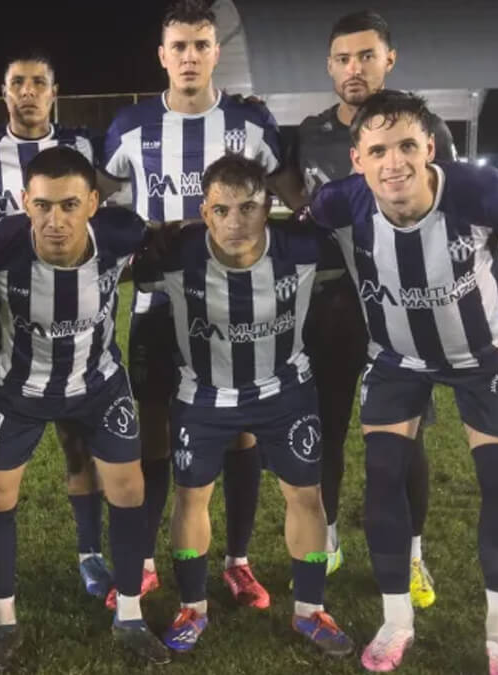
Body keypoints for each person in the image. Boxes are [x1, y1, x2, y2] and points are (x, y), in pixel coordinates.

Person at [307, 90, 498, 674]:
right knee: (382, 478)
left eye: (408, 145)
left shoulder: (483, 193)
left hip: (485, 354)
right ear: (356, 159)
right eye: (378, 149)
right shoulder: (337, 204)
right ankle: (395, 620)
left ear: (430, 147)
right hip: (397, 357)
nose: (394, 162)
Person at [101, 0, 302, 611]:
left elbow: (290, 200)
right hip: (159, 307)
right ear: (162, 56)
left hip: (236, 307)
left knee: (240, 432)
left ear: (217, 52)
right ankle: (142, 562)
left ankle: (238, 562)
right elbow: (103, 200)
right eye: (179, 47)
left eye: (201, 45)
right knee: (156, 435)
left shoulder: (249, 125)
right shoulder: (130, 127)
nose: (190, 57)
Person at [0, 146, 171, 668]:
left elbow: (170, 243)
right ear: (25, 202)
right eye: (44, 206)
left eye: (70, 205)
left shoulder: (121, 234)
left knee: (129, 488)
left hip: (98, 385)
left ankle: (130, 615)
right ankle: (5, 624)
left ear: (93, 202)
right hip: (19, 391)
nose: (56, 221)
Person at [135, 154, 353, 657]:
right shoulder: (174, 253)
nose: (236, 222)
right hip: (203, 397)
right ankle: (193, 606)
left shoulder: (304, 247)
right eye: (222, 210)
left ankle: (310, 610)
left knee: (306, 497)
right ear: (202, 211)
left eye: (249, 208)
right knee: (191, 498)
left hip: (285, 393)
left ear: (268, 206)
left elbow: (370, 250)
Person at [285, 10, 454, 603]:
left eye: (366, 56)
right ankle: (328, 539)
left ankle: (411, 557)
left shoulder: (429, 129)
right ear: (330, 66)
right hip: (328, 305)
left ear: (390, 59)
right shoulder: (309, 133)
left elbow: (454, 213)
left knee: (406, 437)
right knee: (326, 427)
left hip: (403, 305)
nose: (354, 69)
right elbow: (290, 196)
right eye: (342, 58)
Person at [0, 52, 115, 597]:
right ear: (3, 92)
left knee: (78, 440)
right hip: (0, 318)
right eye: (17, 82)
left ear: (54, 91)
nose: (27, 92)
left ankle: (90, 551)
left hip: (68, 316)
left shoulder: (83, 147)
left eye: (38, 83)